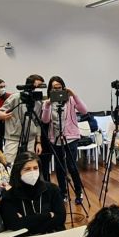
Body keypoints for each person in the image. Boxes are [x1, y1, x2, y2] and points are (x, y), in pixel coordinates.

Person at [40, 75, 87, 207]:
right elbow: (45, 120)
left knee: (72, 166)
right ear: (50, 90)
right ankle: (63, 193)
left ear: (63, 87)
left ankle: (79, 192)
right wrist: (47, 105)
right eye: (54, 88)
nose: (57, 90)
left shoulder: (70, 100)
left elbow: (84, 110)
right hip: (55, 138)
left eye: (59, 87)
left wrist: (73, 94)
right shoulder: (47, 103)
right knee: (60, 167)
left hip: (71, 137)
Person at [0, 73, 45, 169]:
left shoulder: (38, 102)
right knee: (9, 165)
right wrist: (2, 115)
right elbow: (0, 112)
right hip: (13, 138)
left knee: (28, 165)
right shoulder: (15, 97)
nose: (38, 88)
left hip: (30, 139)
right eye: (37, 86)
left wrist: (38, 142)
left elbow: (37, 123)